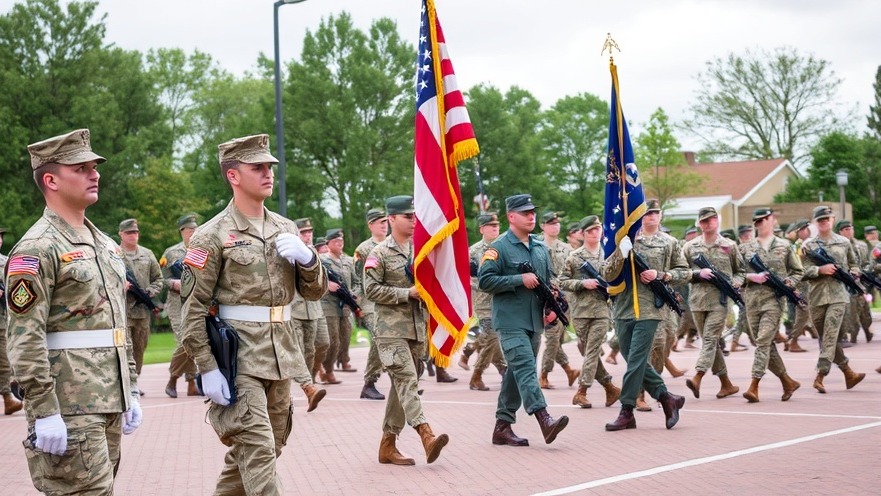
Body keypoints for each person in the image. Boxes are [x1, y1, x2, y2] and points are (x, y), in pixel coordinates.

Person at [180, 134, 327, 494]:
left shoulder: (286, 228)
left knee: (266, 449)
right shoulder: (210, 235)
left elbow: (313, 291)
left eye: (269, 167)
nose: (267, 173)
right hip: (239, 359)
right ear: (234, 176)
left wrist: (309, 260)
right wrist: (207, 366)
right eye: (257, 167)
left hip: (282, 356)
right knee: (259, 452)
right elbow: (192, 309)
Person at [8, 129, 141, 494]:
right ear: (50, 179)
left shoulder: (104, 244)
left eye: (94, 166)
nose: (94, 173)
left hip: (108, 398)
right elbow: (24, 337)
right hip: (68, 405)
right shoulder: (37, 248)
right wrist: (45, 408)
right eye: (80, 168)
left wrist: (131, 388)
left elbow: (116, 324)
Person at [363, 195, 449, 465]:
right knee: (408, 380)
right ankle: (426, 434)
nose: (413, 221)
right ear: (391, 219)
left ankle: (387, 445)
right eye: (407, 216)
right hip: (390, 330)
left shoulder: (420, 250)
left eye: (414, 216)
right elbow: (371, 290)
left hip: (415, 329)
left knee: (401, 388)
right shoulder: (378, 253)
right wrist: (406, 293)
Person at [478, 194, 569, 447]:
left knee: (516, 374)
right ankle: (544, 419)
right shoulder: (498, 248)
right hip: (510, 322)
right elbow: (485, 281)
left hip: (534, 321)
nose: (531, 216)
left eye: (533, 212)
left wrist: (553, 305)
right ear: (511, 217)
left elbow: (549, 281)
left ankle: (502, 427)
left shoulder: (539, 247)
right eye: (525, 212)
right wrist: (518, 279)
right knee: (527, 370)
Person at [602, 200, 688, 431]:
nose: (651, 216)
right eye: (647, 212)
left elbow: (684, 272)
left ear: (660, 215)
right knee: (633, 361)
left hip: (650, 309)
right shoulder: (626, 238)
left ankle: (626, 411)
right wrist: (620, 253)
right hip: (623, 307)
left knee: (637, 360)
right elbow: (606, 272)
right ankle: (667, 397)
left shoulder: (669, 242)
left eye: (655, 213)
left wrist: (661, 275)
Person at [737, 208, 803, 402]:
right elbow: (736, 274)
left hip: (774, 300)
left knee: (764, 340)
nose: (761, 223)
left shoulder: (785, 246)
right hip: (752, 301)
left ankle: (754, 385)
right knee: (764, 344)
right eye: (757, 221)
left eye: (764, 219)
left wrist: (787, 284)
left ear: (772, 220)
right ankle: (787, 381)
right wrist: (751, 277)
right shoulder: (745, 248)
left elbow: (798, 271)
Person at [799, 206, 866, 394]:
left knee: (829, 335)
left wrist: (853, 274)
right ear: (815, 222)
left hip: (838, 295)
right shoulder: (808, 246)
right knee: (827, 338)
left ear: (833, 219)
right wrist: (819, 270)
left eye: (827, 219)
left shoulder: (844, 242)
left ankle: (820, 375)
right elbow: (801, 272)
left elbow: (854, 264)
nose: (824, 222)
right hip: (817, 297)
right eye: (820, 220)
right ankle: (848, 372)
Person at [558, 215, 621, 409]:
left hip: (602, 310)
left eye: (598, 229)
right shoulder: (575, 257)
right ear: (583, 234)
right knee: (590, 352)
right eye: (590, 230)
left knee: (592, 350)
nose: (595, 233)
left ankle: (582, 391)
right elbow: (561, 281)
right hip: (581, 312)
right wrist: (582, 283)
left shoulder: (608, 254)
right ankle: (609, 387)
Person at [683, 207, 744, 400]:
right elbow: (680, 272)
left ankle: (697, 376)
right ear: (699, 224)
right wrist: (696, 274)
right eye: (703, 221)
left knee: (709, 340)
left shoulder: (729, 245)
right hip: (697, 302)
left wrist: (735, 282)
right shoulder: (690, 247)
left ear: (717, 221)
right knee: (712, 344)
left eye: (710, 220)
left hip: (719, 301)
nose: (707, 224)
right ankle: (726, 384)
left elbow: (741, 271)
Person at [536, 211, 579, 390]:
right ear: (543, 226)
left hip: (563, 300)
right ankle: (544, 375)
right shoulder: (534, 245)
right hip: (543, 299)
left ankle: (568, 369)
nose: (555, 226)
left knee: (558, 338)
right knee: (553, 338)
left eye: (557, 223)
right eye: (551, 223)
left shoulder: (567, 248)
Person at [466, 212, 507, 391]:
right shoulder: (473, 252)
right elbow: (467, 279)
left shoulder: (505, 247)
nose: (495, 228)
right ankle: (477, 376)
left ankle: (504, 369)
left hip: (502, 301)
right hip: (483, 303)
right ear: (482, 229)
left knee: (495, 339)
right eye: (491, 226)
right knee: (490, 337)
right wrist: (481, 280)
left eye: (497, 225)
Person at [119, 218, 163, 378]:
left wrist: (149, 293)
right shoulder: (114, 255)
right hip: (123, 311)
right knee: (125, 347)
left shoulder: (147, 254)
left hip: (143, 311)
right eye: (129, 232)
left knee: (140, 346)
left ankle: (135, 378)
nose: (133, 235)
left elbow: (159, 279)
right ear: (121, 234)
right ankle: (128, 381)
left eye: (135, 232)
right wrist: (120, 287)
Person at [162, 213, 201, 398]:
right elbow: (160, 279)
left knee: (193, 341)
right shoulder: (171, 253)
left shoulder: (201, 250)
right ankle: (173, 378)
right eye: (190, 229)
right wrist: (174, 283)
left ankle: (191, 383)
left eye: (195, 229)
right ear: (182, 231)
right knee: (184, 341)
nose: (193, 232)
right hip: (177, 304)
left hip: (196, 302)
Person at [291, 218, 332, 384]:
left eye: (310, 232)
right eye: (303, 233)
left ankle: (313, 373)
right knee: (302, 349)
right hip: (296, 308)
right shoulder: (290, 253)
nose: (307, 236)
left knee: (323, 343)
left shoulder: (315, 254)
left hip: (315, 308)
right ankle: (307, 384)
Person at [353, 208, 389, 400]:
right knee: (379, 337)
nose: (384, 225)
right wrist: (356, 303)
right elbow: (357, 279)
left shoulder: (397, 245)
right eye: (379, 222)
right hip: (370, 302)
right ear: (370, 225)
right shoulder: (364, 249)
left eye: (385, 221)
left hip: (392, 300)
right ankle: (369, 383)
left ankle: (405, 380)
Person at [320, 228, 358, 376]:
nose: (339, 243)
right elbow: (314, 280)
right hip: (328, 305)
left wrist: (355, 294)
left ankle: (344, 360)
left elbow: (357, 282)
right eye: (336, 241)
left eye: (341, 241)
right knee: (333, 340)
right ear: (328, 243)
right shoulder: (322, 260)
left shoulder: (348, 260)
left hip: (346, 306)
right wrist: (327, 286)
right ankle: (327, 369)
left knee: (346, 336)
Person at [0, 227, 24, 415]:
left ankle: (8, 397)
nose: (0, 240)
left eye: (0, 237)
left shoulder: (6, 262)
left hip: (3, 320)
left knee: (4, 359)